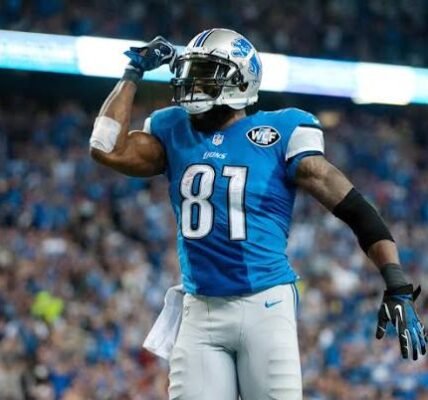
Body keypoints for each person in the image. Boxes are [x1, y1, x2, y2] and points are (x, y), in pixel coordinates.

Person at [89, 29, 427, 400]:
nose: (192, 83)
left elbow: (354, 208)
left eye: (205, 73)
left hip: (264, 305)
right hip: (199, 307)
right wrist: (133, 73)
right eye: (191, 72)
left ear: (240, 80)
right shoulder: (174, 130)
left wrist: (395, 280)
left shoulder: (278, 133)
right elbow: (105, 146)